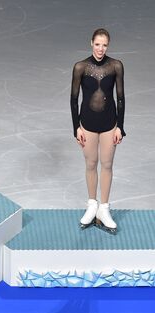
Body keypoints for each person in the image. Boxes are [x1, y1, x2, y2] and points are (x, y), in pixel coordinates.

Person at [71, 28, 125, 233]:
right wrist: (76, 127)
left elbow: (120, 98)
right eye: (97, 44)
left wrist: (120, 126)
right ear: (91, 43)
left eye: (104, 45)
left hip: (109, 124)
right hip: (88, 124)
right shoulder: (80, 67)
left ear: (107, 46)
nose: (100, 49)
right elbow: (73, 99)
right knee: (91, 163)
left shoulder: (115, 66)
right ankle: (92, 205)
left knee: (108, 164)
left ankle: (104, 208)